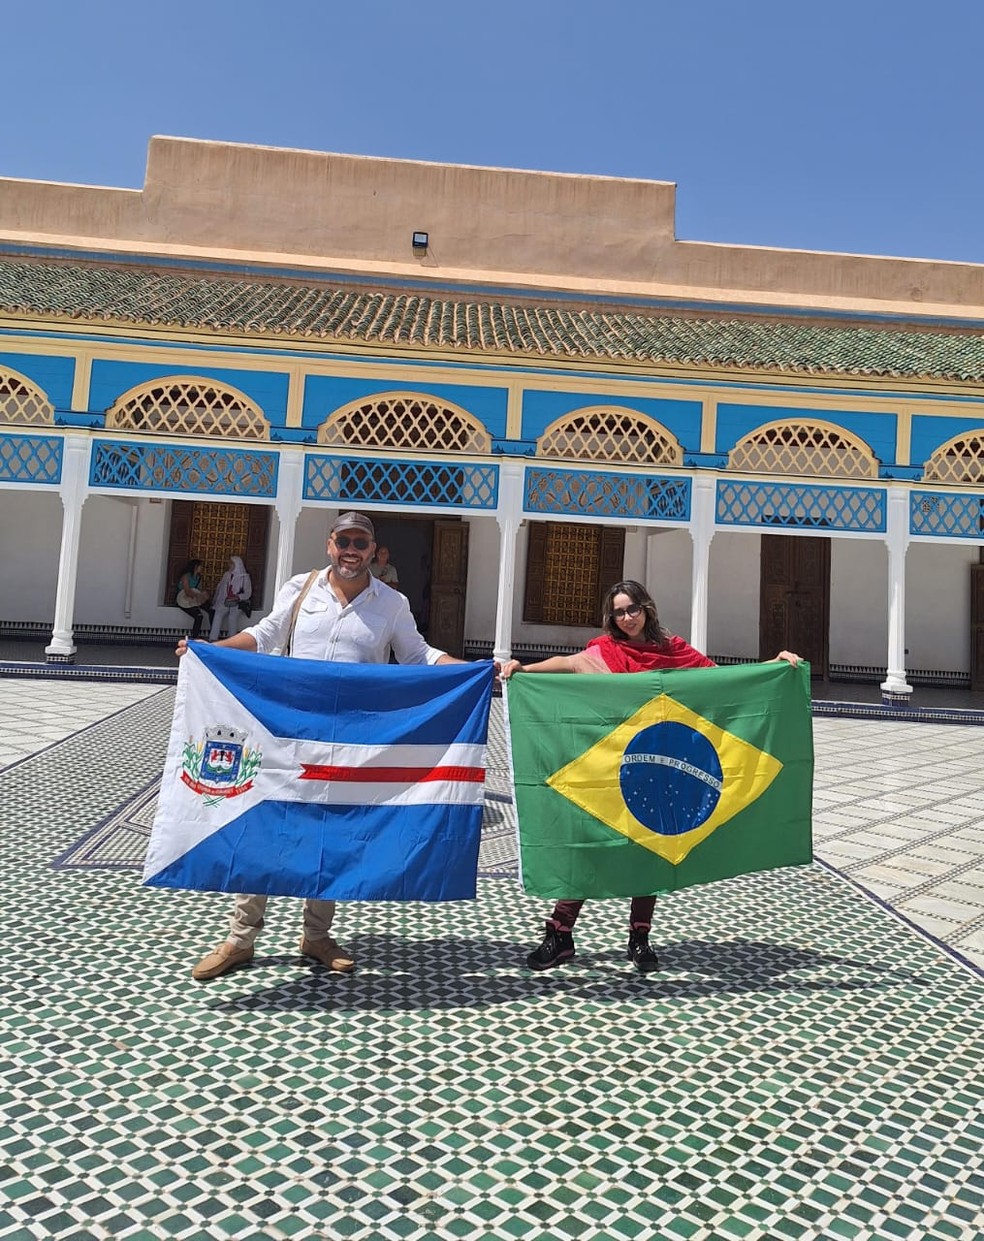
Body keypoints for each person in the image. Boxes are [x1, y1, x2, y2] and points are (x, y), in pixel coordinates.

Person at [179, 513, 467, 982]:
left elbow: (419, 655)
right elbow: (265, 634)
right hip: (287, 731)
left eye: (362, 543)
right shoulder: (300, 588)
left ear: (374, 550)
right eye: (344, 541)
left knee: (328, 833)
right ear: (330, 544)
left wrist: (469, 670)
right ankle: (240, 938)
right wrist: (210, 649)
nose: (352, 550)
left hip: (349, 739)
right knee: (265, 823)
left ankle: (316, 935)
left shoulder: (391, 603)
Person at [499, 579, 801, 974]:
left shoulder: (671, 649)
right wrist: (524, 668)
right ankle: (560, 934)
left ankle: (639, 937)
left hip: (657, 766)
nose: (627, 618)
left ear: (647, 608)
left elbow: (719, 679)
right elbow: (571, 663)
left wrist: (772, 667)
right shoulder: (604, 650)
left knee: (648, 849)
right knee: (590, 844)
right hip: (611, 765)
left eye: (633, 609)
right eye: (619, 612)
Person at [209, 555, 252, 641]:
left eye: (231, 563)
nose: (229, 565)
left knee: (232, 617)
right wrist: (215, 600)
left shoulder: (244, 577)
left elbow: (248, 593)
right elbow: (220, 588)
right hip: (225, 601)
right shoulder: (227, 575)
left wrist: (237, 597)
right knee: (218, 614)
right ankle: (213, 639)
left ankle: (232, 640)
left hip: (237, 602)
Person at [174, 559, 211, 640]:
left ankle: (213, 633)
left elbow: (200, 589)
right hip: (183, 600)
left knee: (211, 610)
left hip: (194, 598)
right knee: (199, 616)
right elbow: (187, 591)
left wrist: (204, 595)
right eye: (200, 566)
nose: (201, 568)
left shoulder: (198, 577)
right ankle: (195, 637)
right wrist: (198, 596)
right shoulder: (186, 576)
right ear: (195, 567)